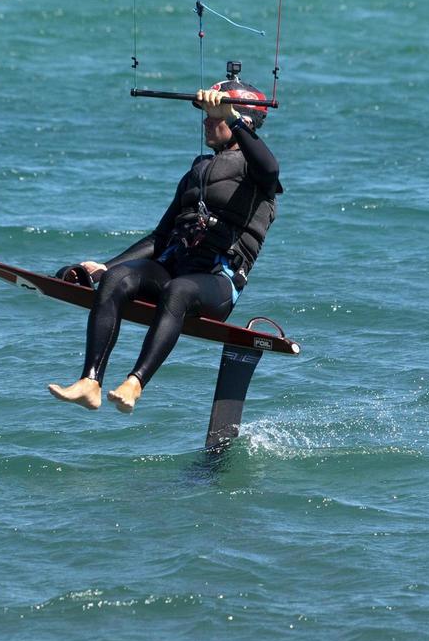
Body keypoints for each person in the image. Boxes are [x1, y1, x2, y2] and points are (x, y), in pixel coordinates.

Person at [47, 75, 282, 414]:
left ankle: (134, 383)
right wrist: (106, 267)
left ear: (240, 119)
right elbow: (160, 238)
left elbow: (269, 166)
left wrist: (229, 113)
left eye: (214, 116)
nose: (206, 121)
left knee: (179, 291)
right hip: (173, 269)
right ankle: (90, 381)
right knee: (118, 279)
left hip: (217, 282)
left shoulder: (261, 175)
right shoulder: (197, 171)